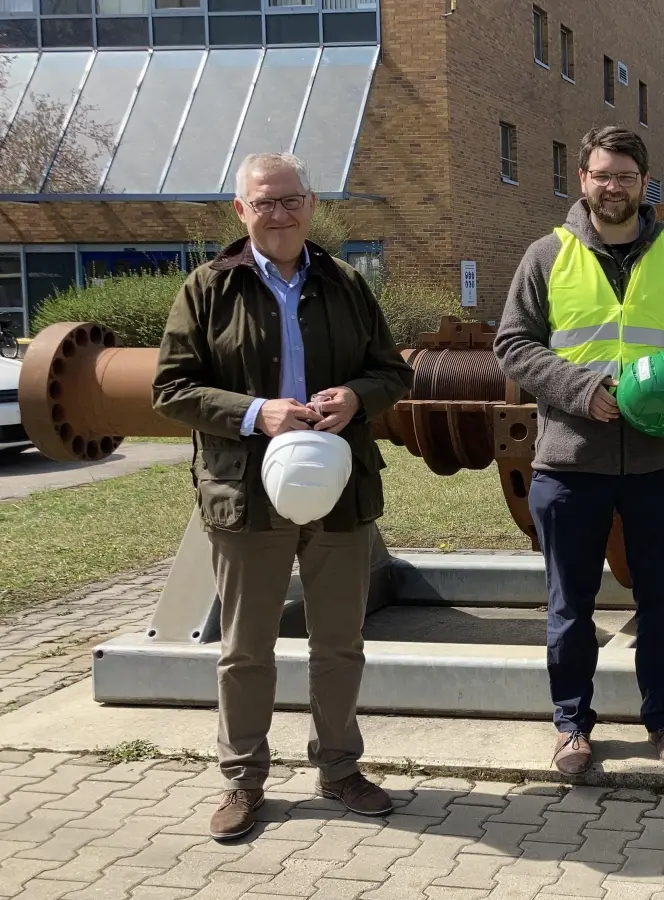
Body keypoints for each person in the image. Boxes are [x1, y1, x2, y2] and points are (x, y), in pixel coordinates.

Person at [152, 152, 414, 842]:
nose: (279, 213)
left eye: (290, 199)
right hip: (247, 496)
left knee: (339, 642)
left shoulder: (349, 283)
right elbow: (171, 389)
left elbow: (391, 370)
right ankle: (243, 780)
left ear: (311, 203)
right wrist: (253, 412)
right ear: (240, 211)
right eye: (264, 202)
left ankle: (339, 768)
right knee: (246, 648)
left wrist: (358, 396)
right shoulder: (208, 288)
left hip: (338, 488)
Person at [494, 126, 664, 776]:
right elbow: (512, 344)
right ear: (583, 180)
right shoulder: (548, 254)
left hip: (659, 461)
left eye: (626, 175)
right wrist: (582, 390)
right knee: (570, 606)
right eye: (603, 174)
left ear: (643, 183)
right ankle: (572, 726)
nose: (614, 186)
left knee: (661, 602)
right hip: (571, 463)